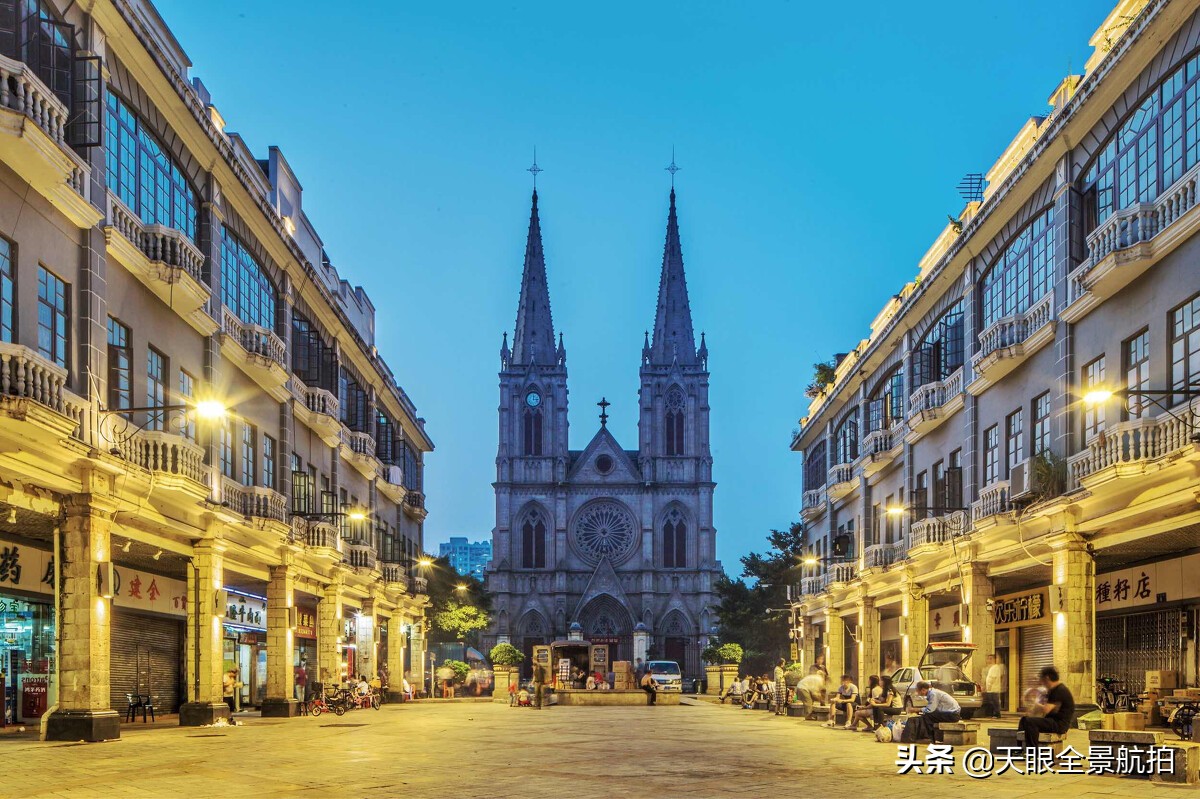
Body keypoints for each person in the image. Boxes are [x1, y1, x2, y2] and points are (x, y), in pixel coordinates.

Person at [1018, 666, 1075, 749]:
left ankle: (1032, 752)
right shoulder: (1053, 690)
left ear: (1047, 678)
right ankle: (1019, 750)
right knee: (1024, 720)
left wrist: (1035, 703)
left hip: (1059, 724)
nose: (1042, 683)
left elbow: (1046, 710)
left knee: (1030, 722)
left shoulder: (1060, 690)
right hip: (1051, 721)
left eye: (1042, 680)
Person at [983, 654, 1006, 718]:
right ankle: (993, 714)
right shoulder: (992, 668)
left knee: (995, 702)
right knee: (993, 702)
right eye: (988, 659)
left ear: (995, 660)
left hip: (993, 689)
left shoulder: (995, 668)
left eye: (991, 659)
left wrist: (989, 686)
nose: (989, 660)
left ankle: (997, 714)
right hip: (992, 689)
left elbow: (992, 678)